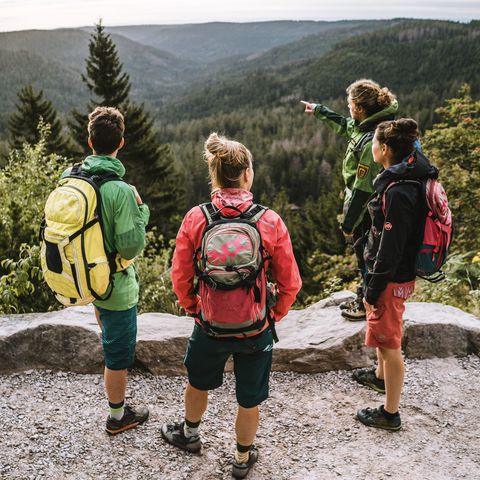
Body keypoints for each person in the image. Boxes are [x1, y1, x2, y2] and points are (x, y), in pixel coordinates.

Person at [162, 133, 302, 479]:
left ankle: (190, 434)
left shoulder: (197, 217)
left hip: (209, 324)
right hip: (255, 327)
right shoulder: (268, 220)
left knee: (197, 381)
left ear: (214, 175)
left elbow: (180, 275)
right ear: (247, 174)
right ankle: (241, 459)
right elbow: (291, 283)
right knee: (249, 397)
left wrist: (195, 308)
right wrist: (272, 316)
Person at [63, 107, 150, 435]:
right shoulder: (121, 191)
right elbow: (131, 246)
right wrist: (141, 210)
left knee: (109, 336)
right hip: (115, 286)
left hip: (86, 276)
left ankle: (117, 403)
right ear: (121, 143)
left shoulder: (71, 177)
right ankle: (117, 417)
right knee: (117, 356)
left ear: (89, 140)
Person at [354, 119, 437, 431]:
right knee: (384, 332)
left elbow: (392, 246)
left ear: (384, 149)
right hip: (389, 273)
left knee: (391, 344)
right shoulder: (403, 177)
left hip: (390, 276)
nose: (372, 147)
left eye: (374, 143)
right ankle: (378, 377)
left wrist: (374, 288)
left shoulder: (400, 190)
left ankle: (390, 414)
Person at [303, 79, 398, 320]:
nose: (348, 108)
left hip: (368, 208)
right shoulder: (364, 126)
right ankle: (368, 295)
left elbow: (363, 190)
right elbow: (345, 126)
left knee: (366, 255)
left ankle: (368, 303)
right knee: (368, 254)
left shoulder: (371, 141)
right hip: (364, 201)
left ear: (358, 107)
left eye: (349, 104)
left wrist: (348, 223)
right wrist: (318, 110)